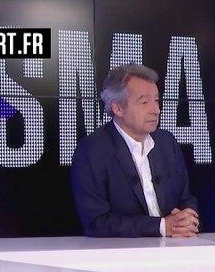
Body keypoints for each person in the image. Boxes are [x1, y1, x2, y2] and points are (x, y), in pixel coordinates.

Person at [71, 63, 200, 238]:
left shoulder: (167, 143)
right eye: (144, 102)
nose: (156, 110)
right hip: (123, 252)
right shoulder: (92, 151)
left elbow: (186, 199)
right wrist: (161, 227)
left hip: (177, 246)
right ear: (118, 108)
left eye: (156, 100)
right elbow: (97, 222)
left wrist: (188, 219)